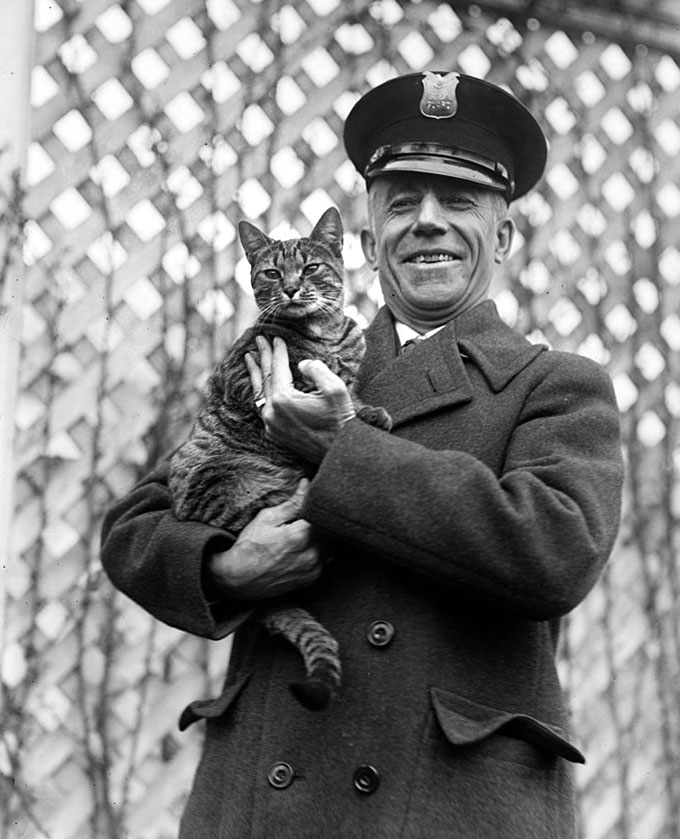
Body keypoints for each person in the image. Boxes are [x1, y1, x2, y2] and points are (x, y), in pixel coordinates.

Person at [101, 71, 624, 838]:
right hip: (268, 798)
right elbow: (135, 526)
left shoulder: (555, 385)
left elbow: (555, 548)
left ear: (503, 237)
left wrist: (341, 451)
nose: (429, 224)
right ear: (370, 241)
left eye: (460, 203)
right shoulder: (291, 357)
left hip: (451, 807)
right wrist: (225, 567)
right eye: (403, 203)